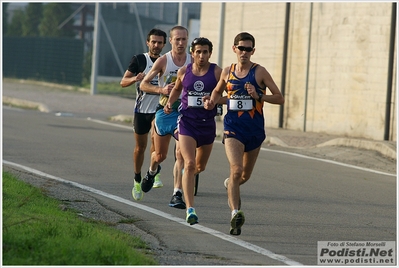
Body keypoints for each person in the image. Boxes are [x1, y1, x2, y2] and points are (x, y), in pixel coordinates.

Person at [204, 32, 284, 235]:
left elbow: (279, 98)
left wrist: (259, 95)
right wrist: (211, 101)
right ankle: (235, 214)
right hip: (233, 128)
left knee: (243, 176)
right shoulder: (227, 71)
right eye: (241, 48)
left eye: (249, 49)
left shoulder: (260, 72)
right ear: (234, 49)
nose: (244, 52)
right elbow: (217, 91)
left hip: (254, 130)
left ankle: (231, 184)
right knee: (237, 170)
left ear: (253, 51)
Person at [164, 37, 223, 225]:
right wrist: (169, 103)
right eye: (198, 51)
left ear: (210, 54)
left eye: (205, 52)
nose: (202, 55)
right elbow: (176, 90)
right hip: (187, 123)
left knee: (199, 167)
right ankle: (190, 209)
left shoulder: (216, 72)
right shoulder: (184, 71)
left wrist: (213, 100)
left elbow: (227, 95)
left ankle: (186, 181)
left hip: (207, 125)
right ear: (192, 53)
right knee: (188, 164)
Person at [140, 26, 192, 209]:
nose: (180, 43)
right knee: (160, 155)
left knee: (180, 153)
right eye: (177, 39)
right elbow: (144, 85)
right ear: (170, 41)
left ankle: (177, 193)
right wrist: (161, 89)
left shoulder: (194, 61)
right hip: (165, 111)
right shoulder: (164, 61)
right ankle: (152, 170)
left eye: (184, 39)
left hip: (186, 113)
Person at [120, 28, 167, 201]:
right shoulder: (140, 59)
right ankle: (137, 179)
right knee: (140, 147)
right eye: (153, 42)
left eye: (159, 42)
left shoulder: (166, 61)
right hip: (141, 110)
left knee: (156, 140)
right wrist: (135, 79)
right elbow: (123, 82)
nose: (156, 45)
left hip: (159, 109)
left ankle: (153, 172)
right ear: (148, 42)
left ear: (164, 44)